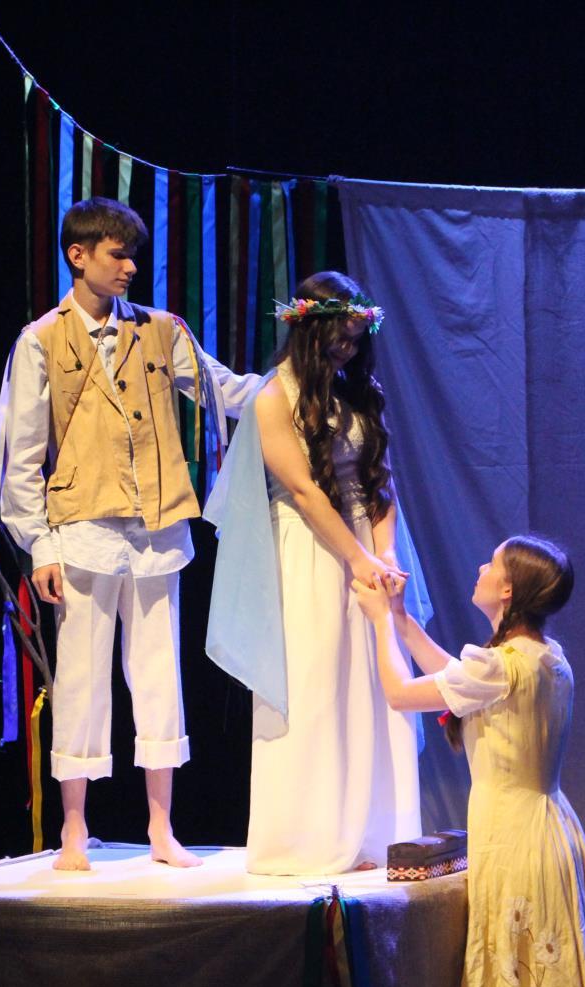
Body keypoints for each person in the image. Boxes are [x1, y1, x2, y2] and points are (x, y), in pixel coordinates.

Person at [0, 196, 261, 871]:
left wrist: (297, 383)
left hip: (156, 527)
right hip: (81, 529)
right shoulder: (39, 341)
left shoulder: (161, 330)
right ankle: (74, 827)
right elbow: (21, 458)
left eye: (133, 255)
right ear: (78, 255)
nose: (130, 267)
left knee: (159, 675)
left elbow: (225, 391)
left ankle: (161, 828)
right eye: (117, 254)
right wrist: (40, 546)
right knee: (81, 679)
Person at [351, 536, 585, 987]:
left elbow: (402, 694)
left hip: (514, 838)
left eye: (493, 563)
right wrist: (401, 619)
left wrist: (381, 623)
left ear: (507, 589)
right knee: (542, 974)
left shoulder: (502, 666)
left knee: (523, 970)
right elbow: (455, 681)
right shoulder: (543, 657)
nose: (481, 566)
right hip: (549, 831)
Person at [203, 271, 426, 875]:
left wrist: (387, 555)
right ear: (310, 332)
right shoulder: (274, 397)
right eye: (339, 338)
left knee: (373, 678)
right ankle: (308, 836)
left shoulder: (358, 393)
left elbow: (380, 482)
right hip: (309, 550)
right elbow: (303, 491)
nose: (347, 349)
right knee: (317, 679)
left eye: (355, 339)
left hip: (363, 545)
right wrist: (359, 560)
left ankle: (374, 832)